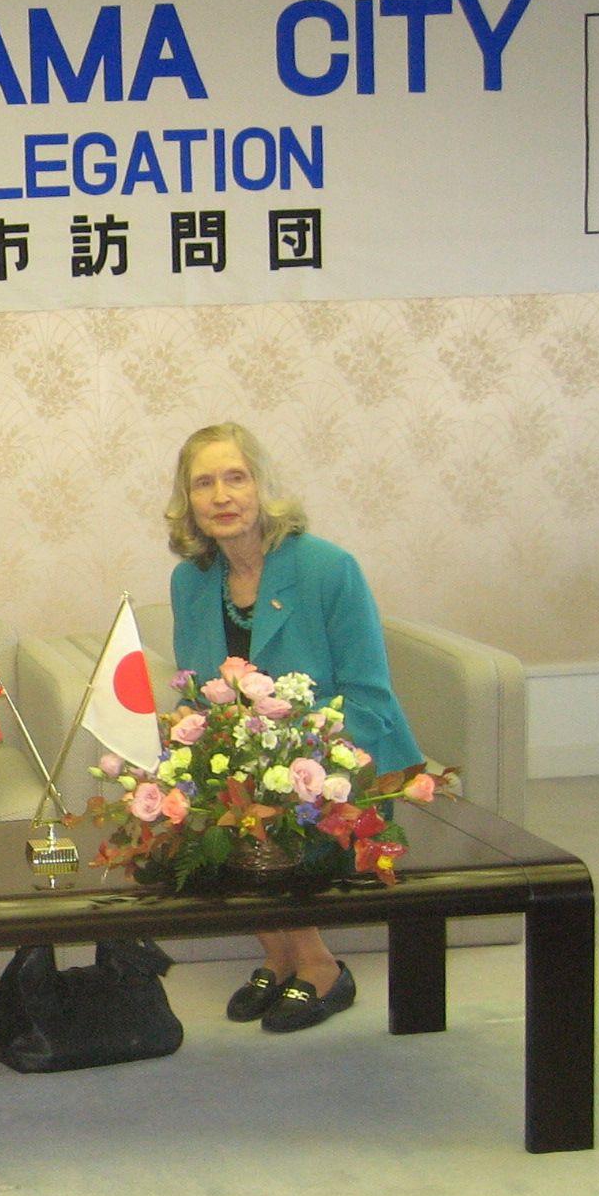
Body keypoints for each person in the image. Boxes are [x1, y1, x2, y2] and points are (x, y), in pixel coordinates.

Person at [165, 421, 424, 1032]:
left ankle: (319, 965)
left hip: (350, 764)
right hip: (259, 769)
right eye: (204, 484)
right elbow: (206, 696)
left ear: (262, 488)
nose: (222, 496)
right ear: (188, 502)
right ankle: (279, 959)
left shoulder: (328, 569)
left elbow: (370, 698)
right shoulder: (191, 582)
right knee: (196, 800)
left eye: (236, 478)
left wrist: (298, 764)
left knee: (261, 807)